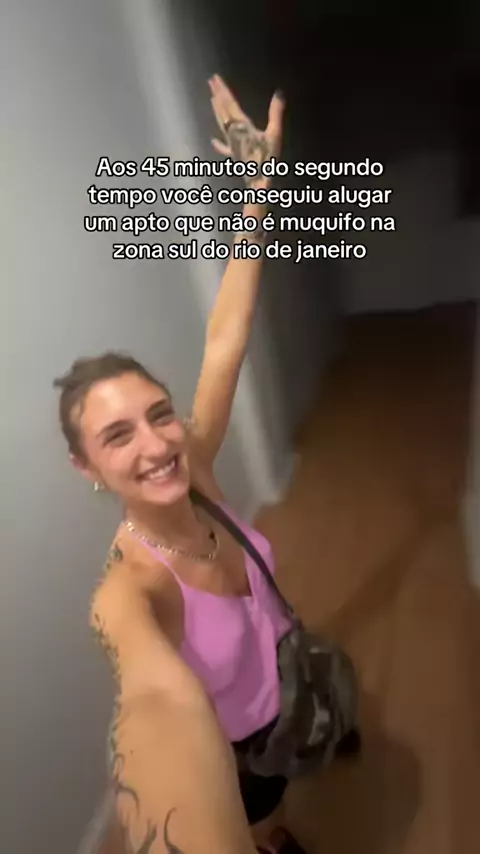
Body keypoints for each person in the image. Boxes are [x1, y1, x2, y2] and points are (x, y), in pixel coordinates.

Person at [58, 75, 306, 853]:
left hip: (286, 690)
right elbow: (153, 705)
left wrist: (259, 188)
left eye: (159, 414)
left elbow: (226, 336)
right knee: (260, 815)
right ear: (86, 467)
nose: (157, 444)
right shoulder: (128, 590)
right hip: (238, 747)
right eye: (117, 436)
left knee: (284, 792)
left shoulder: (191, 462)